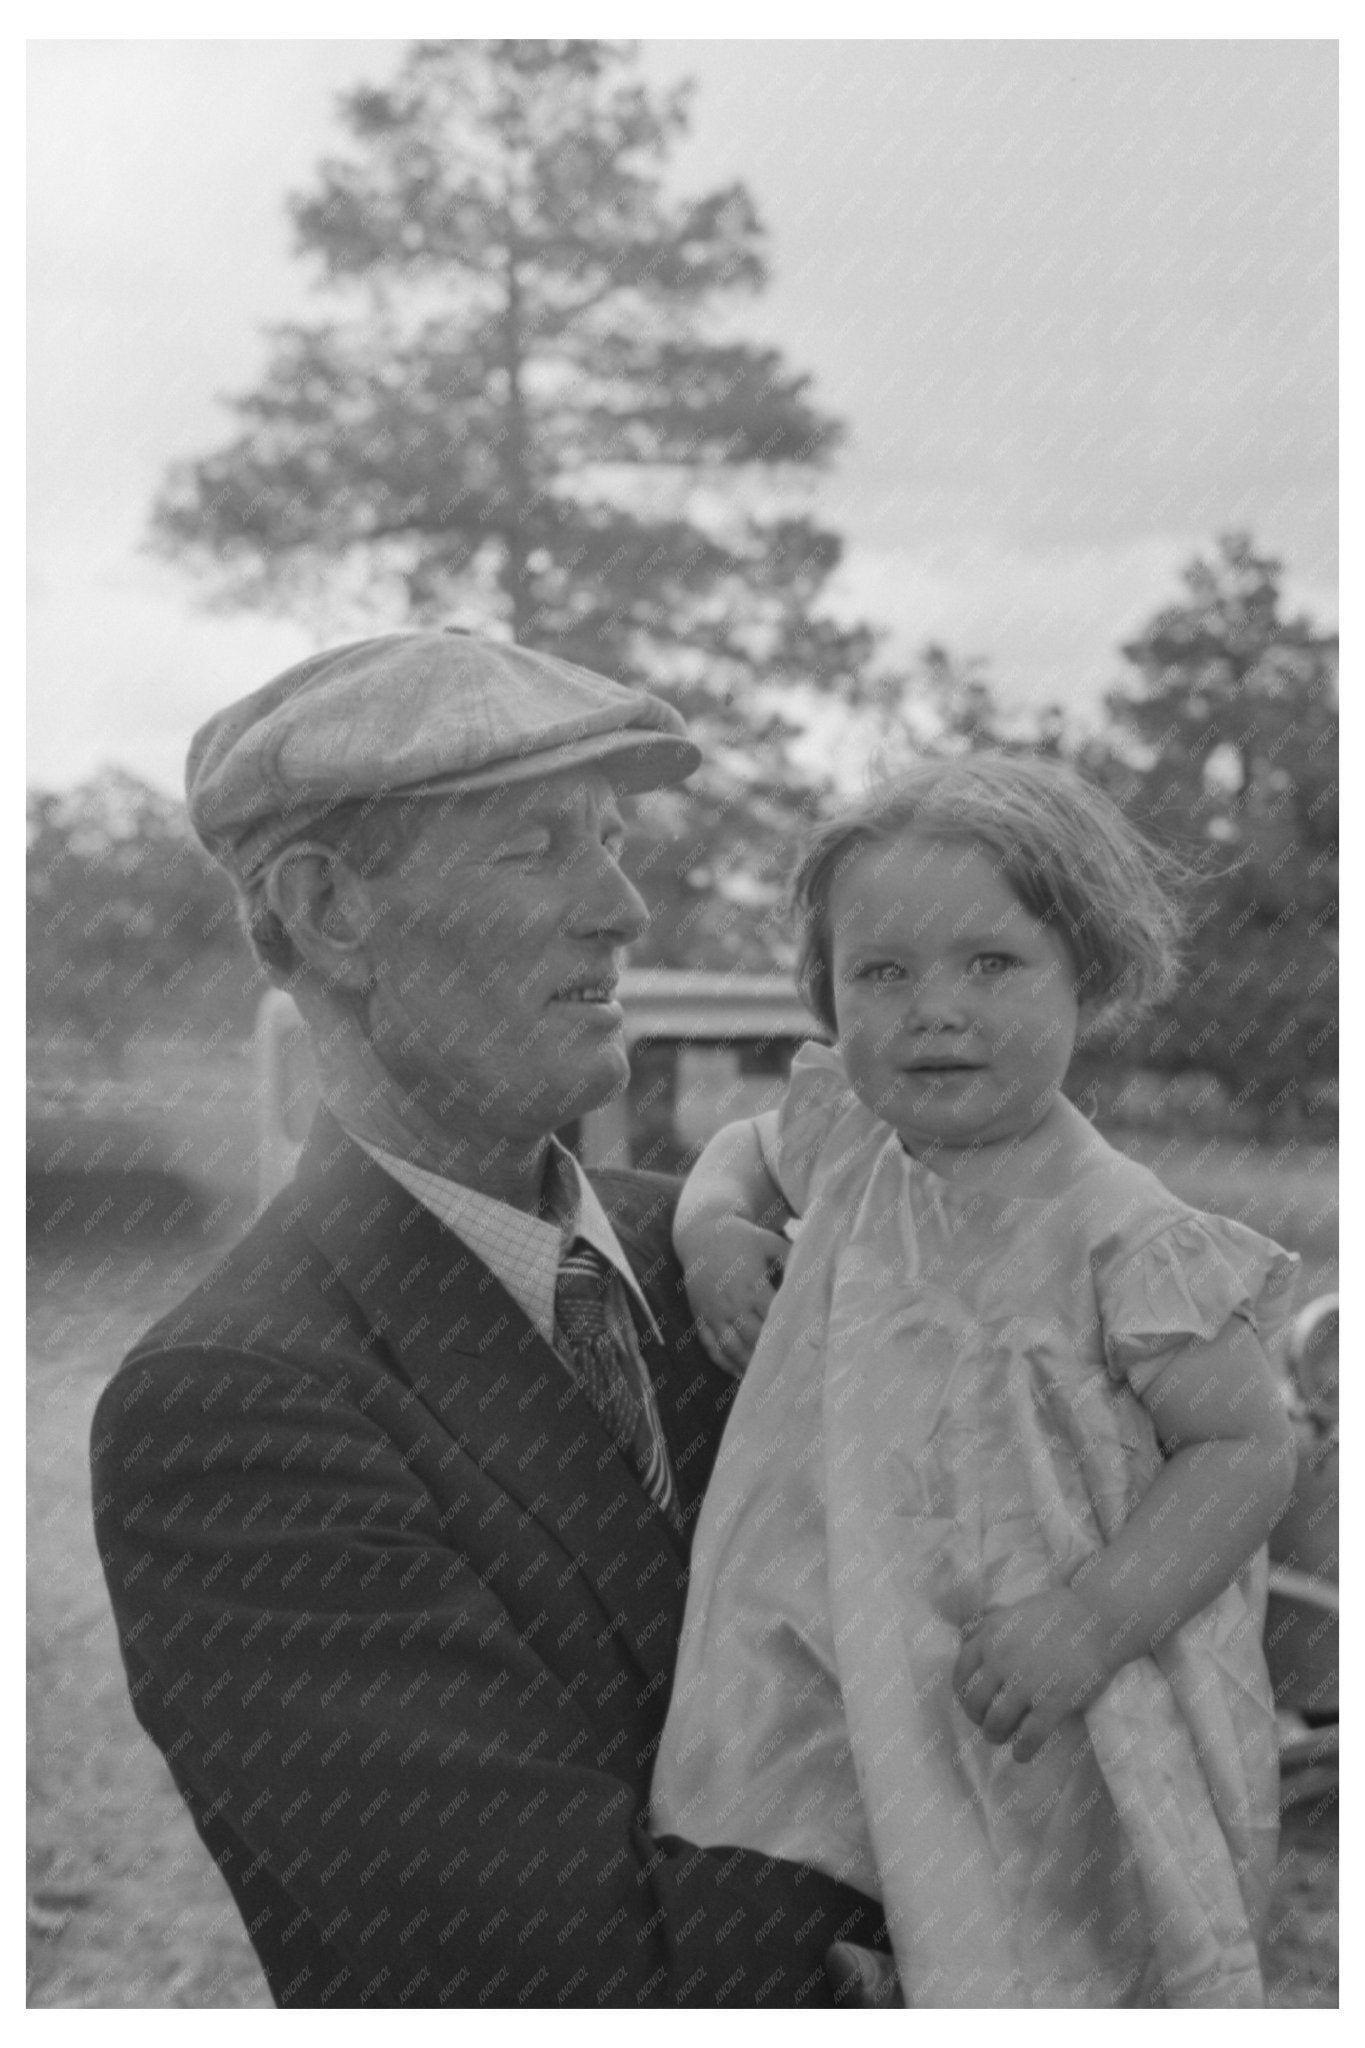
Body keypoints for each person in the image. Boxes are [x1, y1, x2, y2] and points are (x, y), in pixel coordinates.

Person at [90, 630, 889, 2008]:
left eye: (613, 838)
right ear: (331, 908)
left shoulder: (736, 1253)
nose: (623, 908)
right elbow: (581, 1979)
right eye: (537, 850)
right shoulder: (233, 1411)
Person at [650, 754, 1300, 2008]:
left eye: (991, 965)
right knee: (750, 1920)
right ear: (829, 997)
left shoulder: (1121, 1230)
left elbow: (1247, 1451)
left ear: (1087, 971)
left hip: (1023, 1686)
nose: (932, 1009)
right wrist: (711, 1232)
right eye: (881, 973)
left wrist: (1096, 1617)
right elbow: (734, 1151)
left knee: (1013, 1947)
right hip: (813, 1651)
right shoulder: (845, 1138)